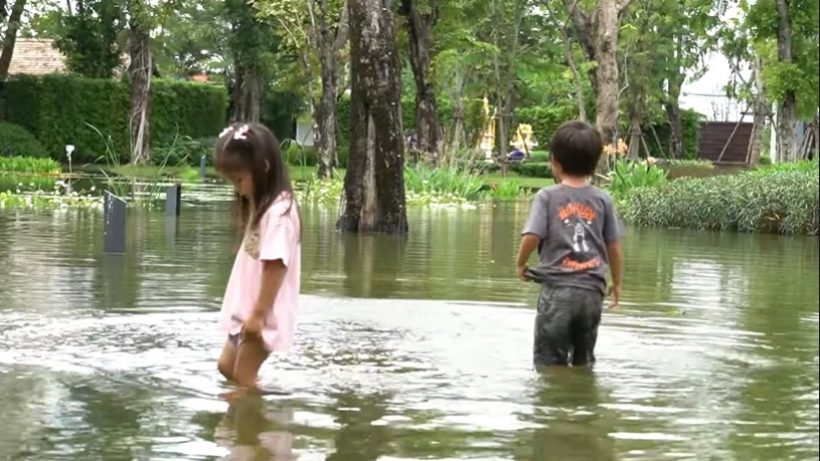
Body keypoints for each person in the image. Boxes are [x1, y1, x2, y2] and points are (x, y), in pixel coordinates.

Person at [516, 120, 623, 368]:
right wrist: (616, 283)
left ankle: (557, 402)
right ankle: (583, 398)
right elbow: (614, 247)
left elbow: (532, 235)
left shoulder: (547, 197)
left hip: (558, 292)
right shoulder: (603, 199)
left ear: (554, 161)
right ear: (595, 163)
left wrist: (521, 263)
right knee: (583, 360)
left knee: (549, 363)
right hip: (592, 296)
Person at [214, 123, 301, 389]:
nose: (238, 190)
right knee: (226, 367)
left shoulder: (279, 213)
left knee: (243, 380)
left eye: (239, 180)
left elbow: (275, 265)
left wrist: (258, 315)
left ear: (263, 168)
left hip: (261, 313)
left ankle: (253, 423)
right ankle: (249, 416)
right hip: (247, 310)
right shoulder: (263, 205)